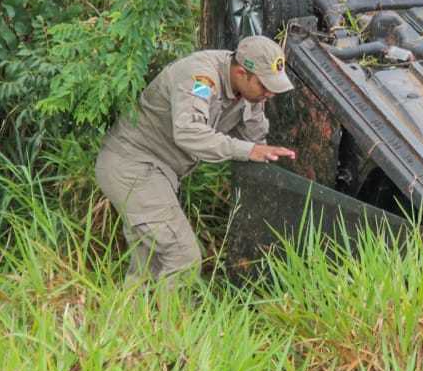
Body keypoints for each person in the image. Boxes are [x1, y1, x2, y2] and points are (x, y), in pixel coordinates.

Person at [96, 35, 296, 283]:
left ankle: (136, 317)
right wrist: (247, 150)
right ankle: (174, 322)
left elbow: (256, 138)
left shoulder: (251, 94)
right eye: (265, 86)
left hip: (159, 175)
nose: (269, 94)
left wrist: (271, 162)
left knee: (150, 266)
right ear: (241, 73)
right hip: (133, 166)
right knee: (183, 257)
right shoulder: (200, 79)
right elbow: (189, 132)